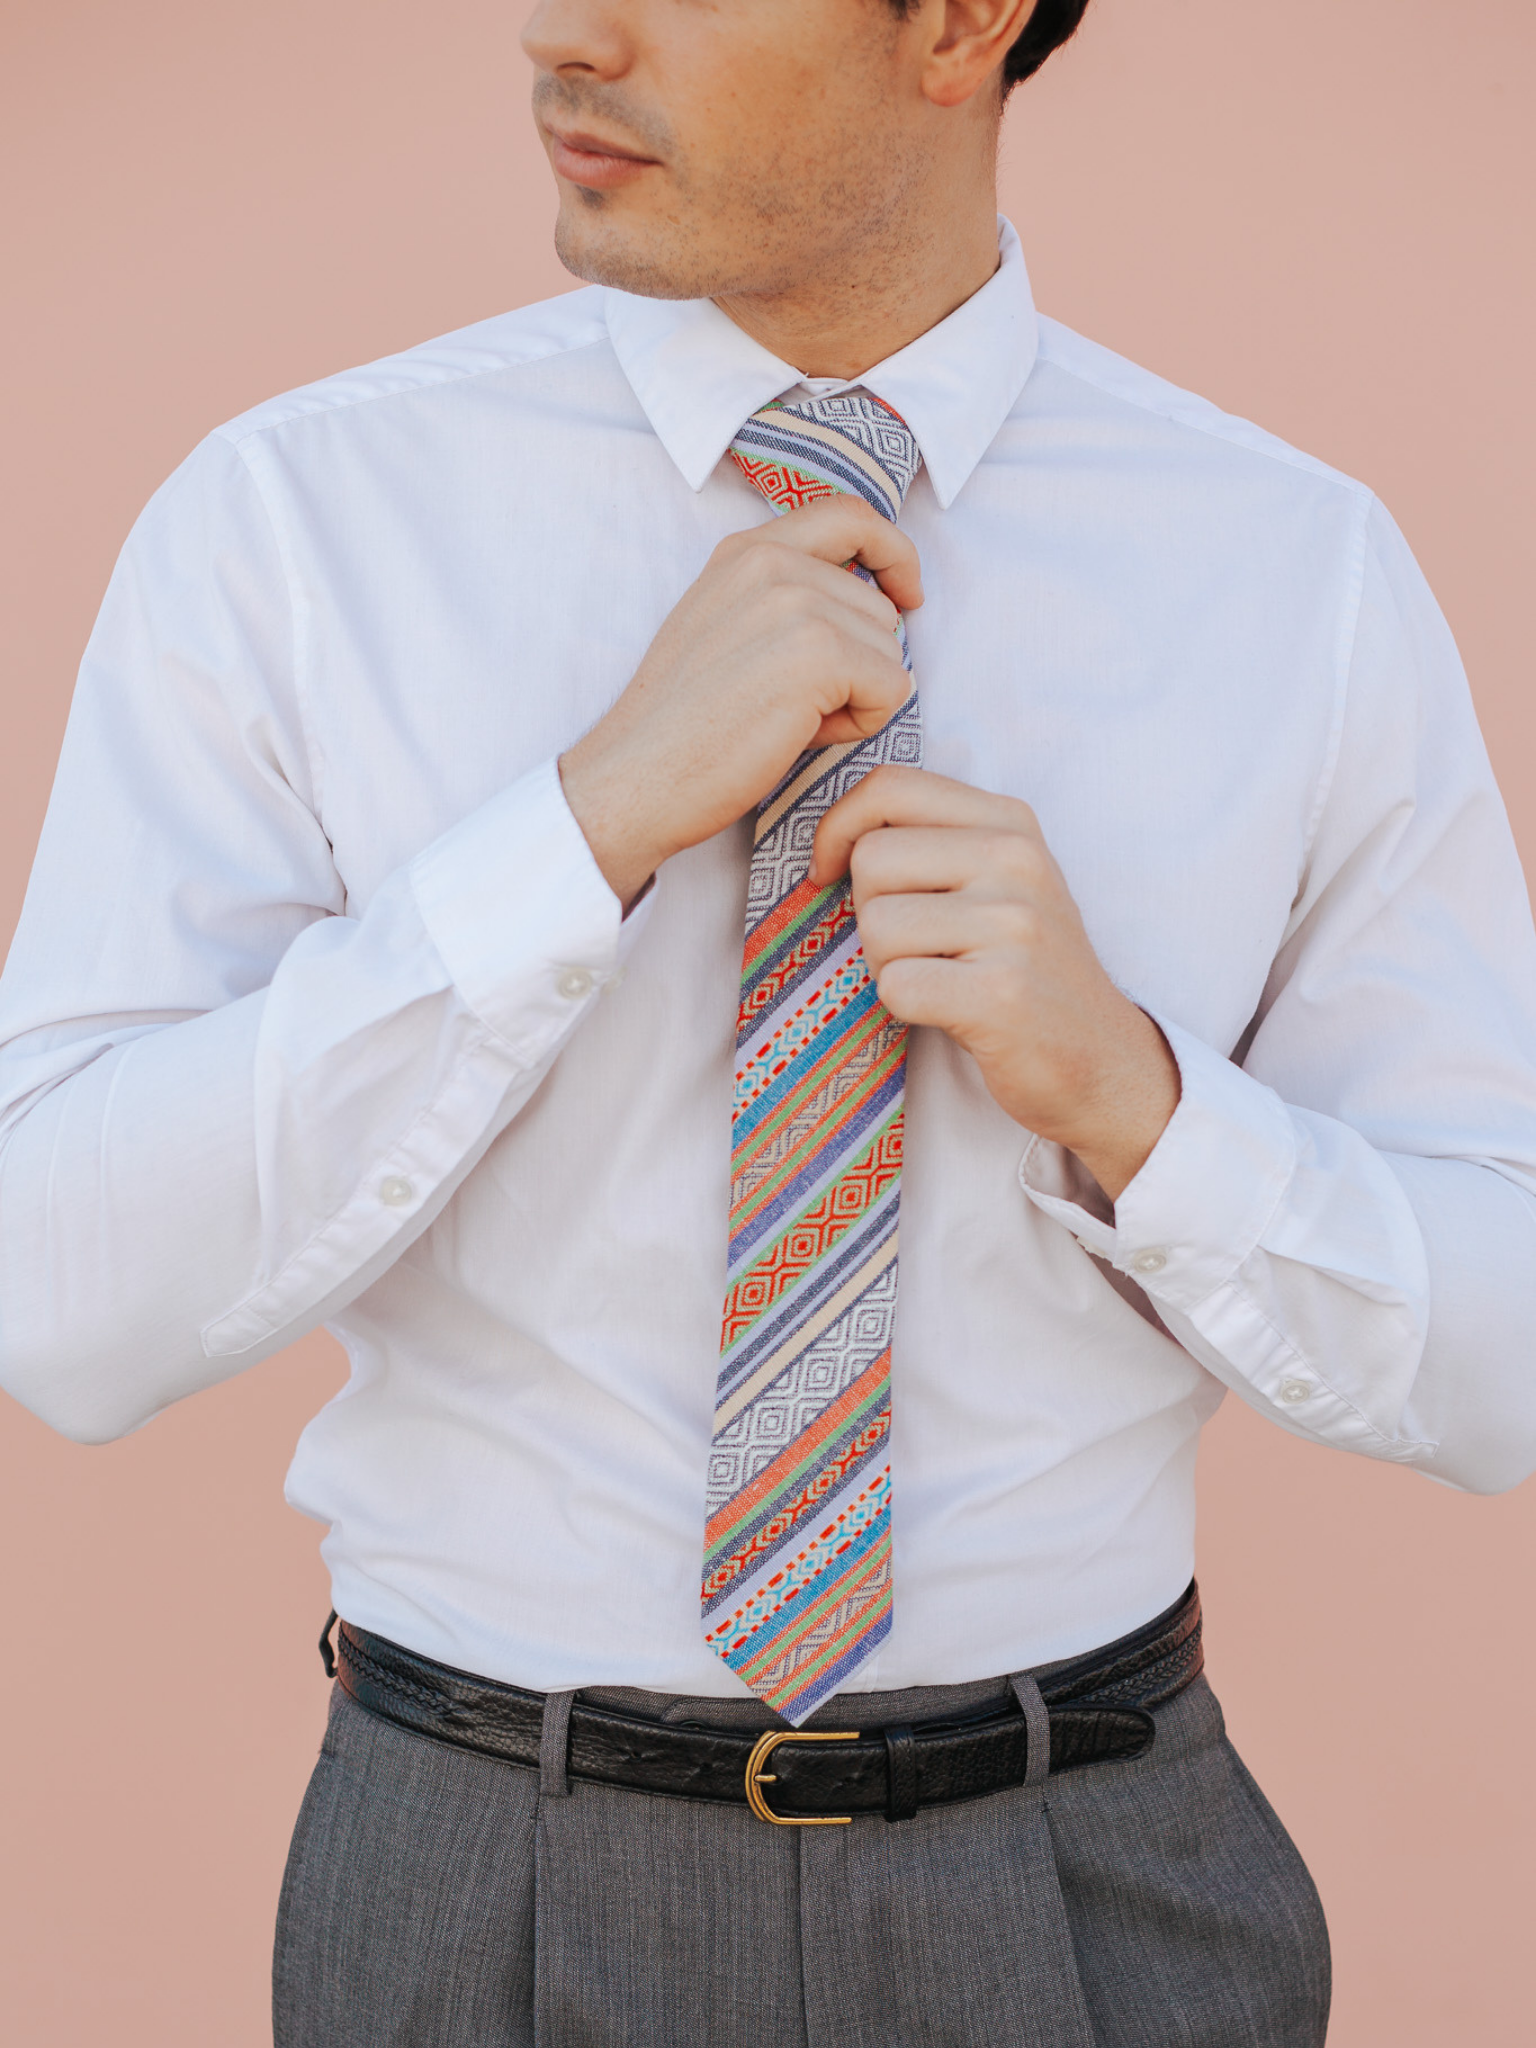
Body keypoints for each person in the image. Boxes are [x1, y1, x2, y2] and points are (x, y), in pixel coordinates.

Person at [3, 0, 1535, 2039]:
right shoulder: (296, 524)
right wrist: (574, 834)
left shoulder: (1295, 573)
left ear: (966, 21)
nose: (564, 31)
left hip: (1090, 1885)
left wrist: (1142, 1104)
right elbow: (60, 1304)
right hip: (480, 1888)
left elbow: (1501, 1354)